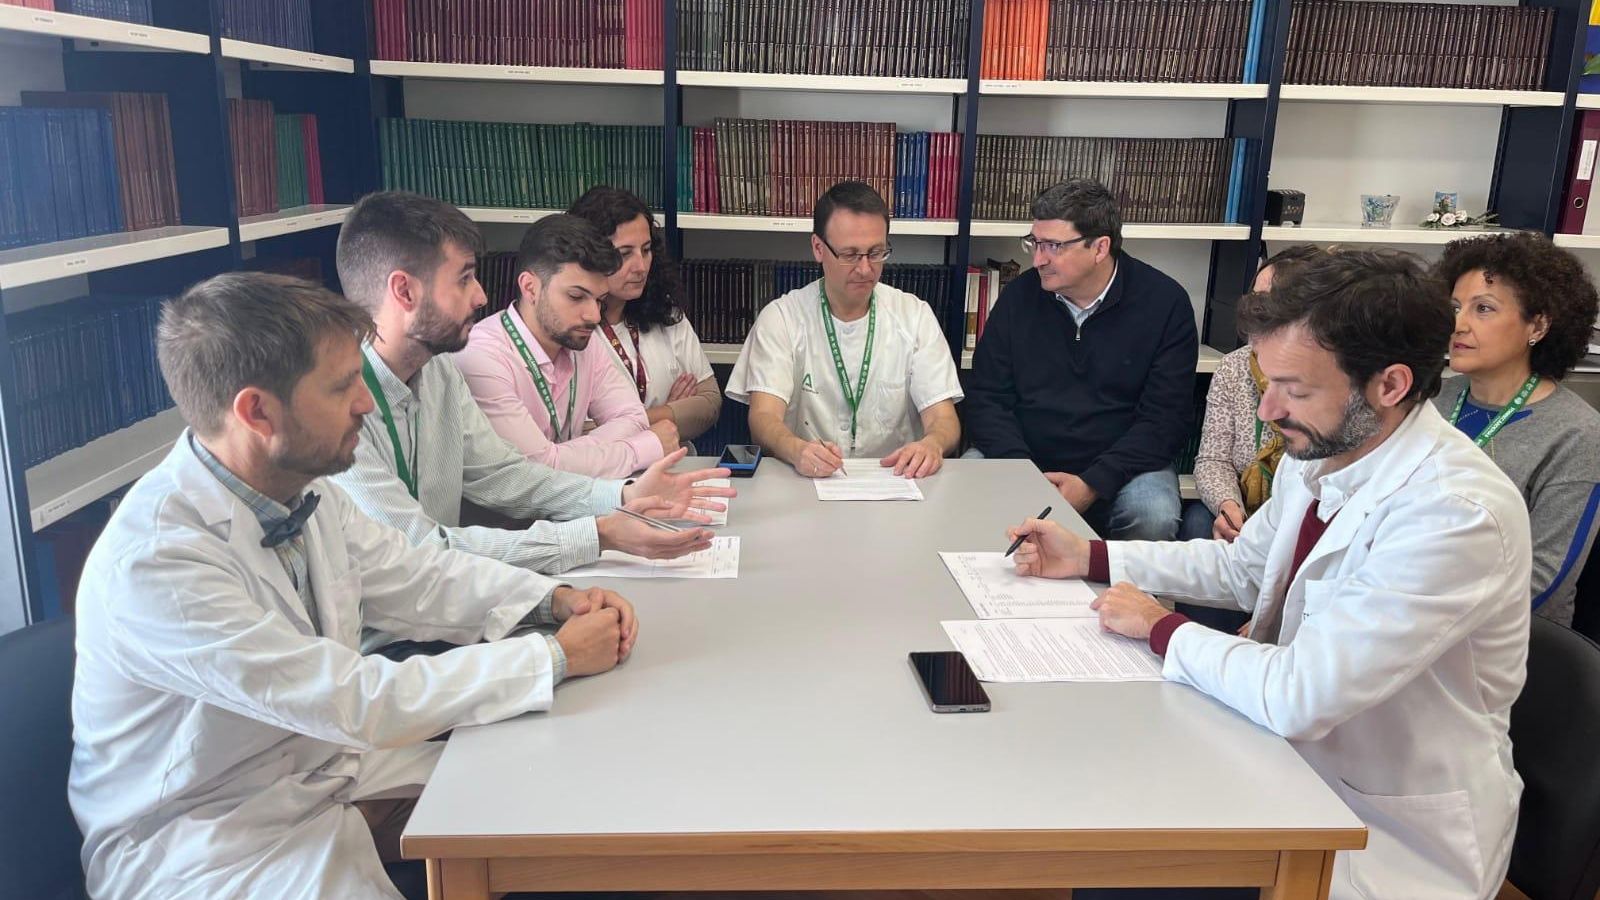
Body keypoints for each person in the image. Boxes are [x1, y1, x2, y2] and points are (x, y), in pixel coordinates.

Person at [70, 273, 638, 899]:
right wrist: (554, 655)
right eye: (343, 387)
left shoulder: (302, 491)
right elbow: (352, 699)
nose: (367, 404)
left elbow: (419, 576)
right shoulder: (157, 563)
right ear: (257, 411)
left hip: (320, 773)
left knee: (569, 800)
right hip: (213, 843)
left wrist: (550, 601)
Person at [1008, 249, 1530, 900]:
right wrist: (1089, 556)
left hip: (1380, 827)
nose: (1268, 410)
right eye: (1267, 380)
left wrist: (1162, 628)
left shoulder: (1455, 514)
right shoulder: (1328, 450)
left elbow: (1302, 695)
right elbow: (1243, 570)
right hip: (1283, 768)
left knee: (1124, 872)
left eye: (1296, 388)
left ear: (1389, 386)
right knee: (1105, 829)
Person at [330, 191, 734, 602]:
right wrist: (598, 534)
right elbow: (421, 553)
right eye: (464, 278)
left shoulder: (438, 373)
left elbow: (508, 475)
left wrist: (624, 495)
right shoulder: (333, 410)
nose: (481, 296)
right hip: (390, 641)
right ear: (404, 291)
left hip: (450, 608)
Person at [966, 178, 1197, 540]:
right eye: (1034, 243)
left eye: (1053, 246)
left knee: (1153, 514)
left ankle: (1119, 596)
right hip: (1025, 455)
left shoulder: (1165, 303)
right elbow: (987, 398)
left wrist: (1094, 482)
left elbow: (1166, 419)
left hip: (1123, 465)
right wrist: (1021, 470)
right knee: (967, 485)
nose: (1038, 259)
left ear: (1100, 247)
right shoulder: (1019, 299)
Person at [726, 180, 962, 478]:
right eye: (850, 255)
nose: (865, 269)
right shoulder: (782, 318)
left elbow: (944, 418)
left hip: (896, 482)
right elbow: (762, 417)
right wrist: (795, 449)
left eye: (876, 253)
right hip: (806, 481)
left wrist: (933, 444)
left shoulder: (915, 316)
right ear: (818, 248)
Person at [1432, 231, 1600, 628]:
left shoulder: (1578, 435)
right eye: (1455, 307)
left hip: (1503, 644)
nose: (1459, 324)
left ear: (1537, 326)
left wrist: (1421, 629)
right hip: (1403, 612)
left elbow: (1544, 579)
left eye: (1483, 309)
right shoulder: (1433, 399)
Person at [454, 214, 676, 478]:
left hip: (575, 508)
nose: (593, 316)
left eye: (600, 300)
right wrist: (643, 448)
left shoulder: (582, 341)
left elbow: (633, 418)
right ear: (530, 287)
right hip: (506, 519)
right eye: (576, 296)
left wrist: (559, 457)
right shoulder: (482, 357)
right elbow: (534, 473)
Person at [1182, 245, 1323, 545]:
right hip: (1245, 509)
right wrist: (1229, 508)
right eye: (1254, 297)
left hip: (1299, 520)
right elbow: (1212, 460)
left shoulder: (1328, 380)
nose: (1254, 309)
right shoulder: (1234, 367)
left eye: (1268, 301)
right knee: (1198, 524)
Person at [567, 185, 722, 447]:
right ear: (589, 254)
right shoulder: (571, 329)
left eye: (646, 250)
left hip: (676, 468)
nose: (640, 266)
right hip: (606, 480)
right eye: (625, 254)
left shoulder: (666, 312)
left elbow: (710, 404)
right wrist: (670, 414)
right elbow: (577, 437)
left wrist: (619, 425)